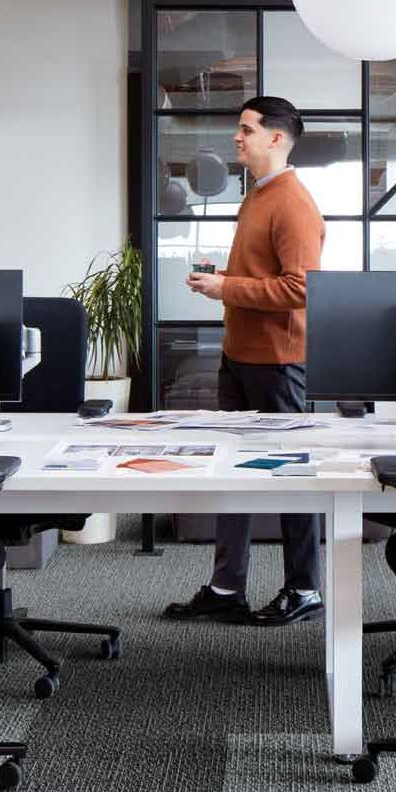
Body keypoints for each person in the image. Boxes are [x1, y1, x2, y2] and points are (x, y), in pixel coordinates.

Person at [165, 96, 326, 627]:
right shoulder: (255, 196)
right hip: (239, 356)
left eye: (247, 129)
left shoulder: (294, 203)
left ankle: (304, 588)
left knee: (289, 477)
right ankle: (226, 585)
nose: (237, 137)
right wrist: (223, 283)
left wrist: (226, 287)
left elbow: (300, 290)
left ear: (276, 138)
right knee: (230, 471)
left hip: (278, 363)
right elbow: (261, 273)